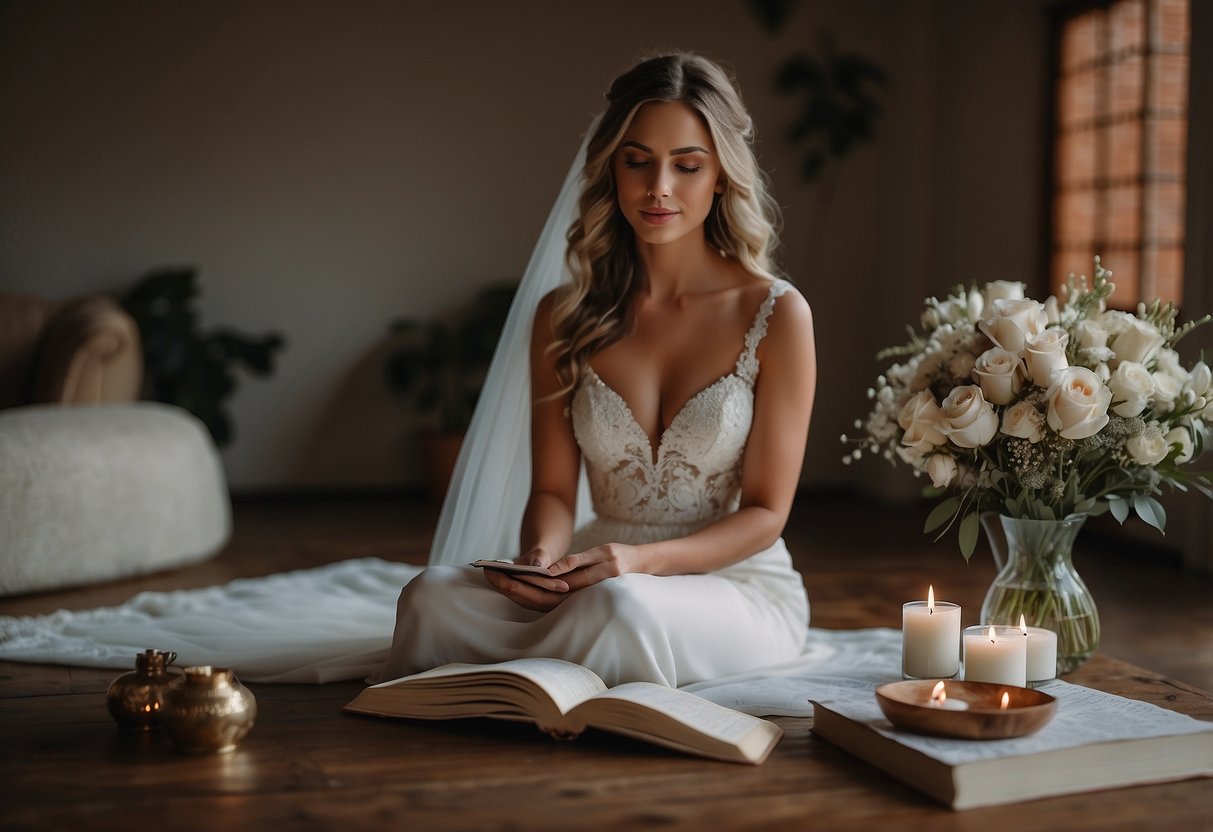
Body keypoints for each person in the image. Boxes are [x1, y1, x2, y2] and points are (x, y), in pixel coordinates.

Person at [378, 52, 817, 688]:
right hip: (594, 568)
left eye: (687, 165)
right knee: (429, 595)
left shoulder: (776, 314)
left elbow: (766, 513)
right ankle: (549, 670)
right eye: (637, 161)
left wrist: (637, 562)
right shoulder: (564, 316)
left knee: (621, 607)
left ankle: (549, 674)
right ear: (611, 169)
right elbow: (554, 491)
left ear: (721, 176)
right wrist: (542, 559)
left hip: (726, 581)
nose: (658, 186)